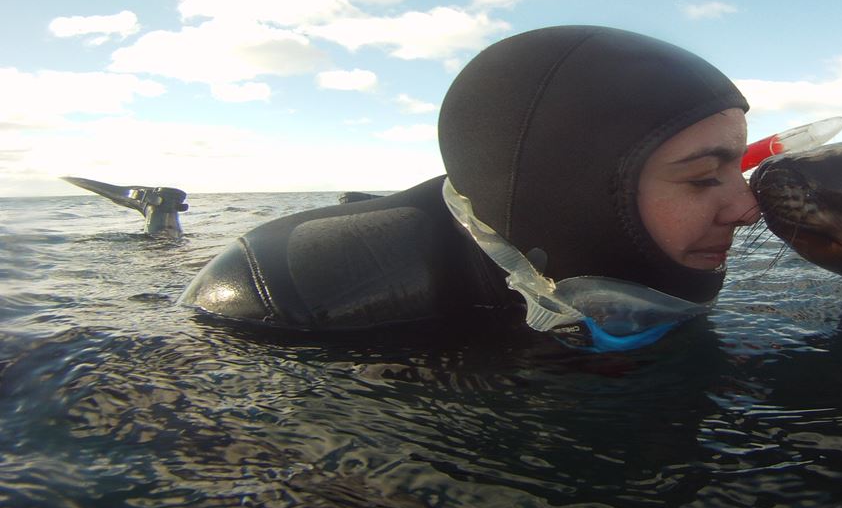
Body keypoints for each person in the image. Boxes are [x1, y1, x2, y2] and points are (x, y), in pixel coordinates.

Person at [180, 25, 761, 351]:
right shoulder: (294, 295)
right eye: (702, 178)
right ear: (569, 192)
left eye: (739, 167)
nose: (747, 208)